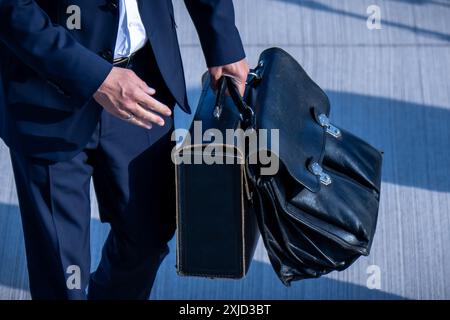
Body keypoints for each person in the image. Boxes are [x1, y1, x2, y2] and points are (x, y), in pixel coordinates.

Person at [0, 0, 249, 300]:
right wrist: (95, 77)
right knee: (61, 273)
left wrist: (221, 38)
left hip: (142, 81)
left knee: (148, 236)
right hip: (47, 92)